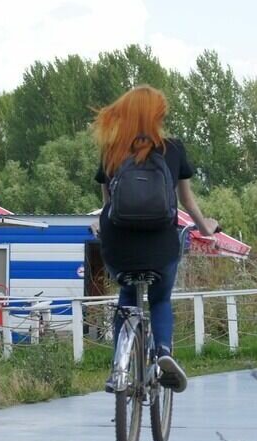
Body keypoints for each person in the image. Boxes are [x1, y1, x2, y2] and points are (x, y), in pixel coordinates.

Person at [92, 85, 218, 393]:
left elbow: (108, 205)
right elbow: (187, 202)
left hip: (119, 247)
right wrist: (206, 228)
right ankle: (163, 352)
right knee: (160, 299)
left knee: (126, 296)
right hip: (160, 246)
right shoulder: (172, 149)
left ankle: (118, 368)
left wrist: (101, 226)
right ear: (155, 115)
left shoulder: (112, 149)